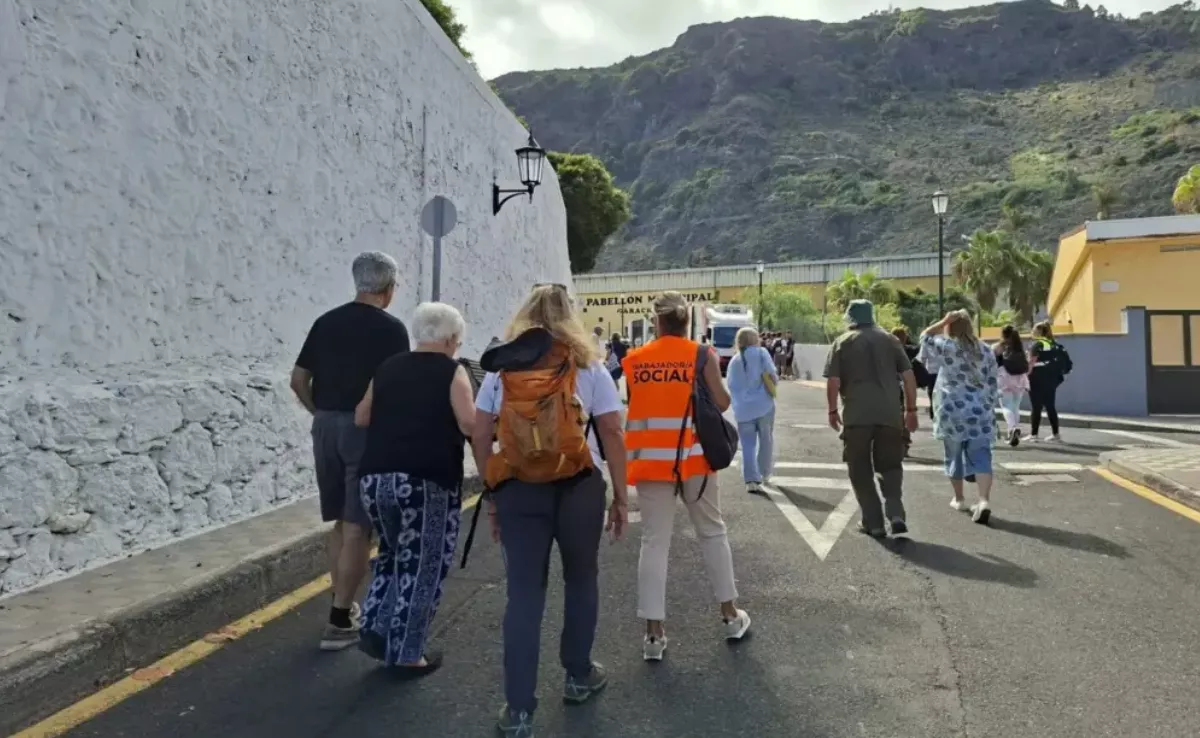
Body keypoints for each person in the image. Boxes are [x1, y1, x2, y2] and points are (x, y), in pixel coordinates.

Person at [472, 284, 628, 738]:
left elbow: (482, 437)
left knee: (523, 594)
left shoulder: (499, 371)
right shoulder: (589, 366)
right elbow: (613, 435)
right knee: (580, 578)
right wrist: (620, 495)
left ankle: (519, 711)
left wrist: (494, 492)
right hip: (579, 488)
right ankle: (578, 676)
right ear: (570, 318)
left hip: (520, 491)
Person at [290, 251, 410, 651]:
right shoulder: (392, 330)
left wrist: (319, 411)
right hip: (364, 430)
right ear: (388, 289)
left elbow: (298, 379)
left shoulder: (325, 322)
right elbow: (393, 387)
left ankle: (339, 604)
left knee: (340, 521)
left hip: (325, 425)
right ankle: (340, 620)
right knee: (360, 524)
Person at [624, 291, 751, 663]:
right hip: (694, 461)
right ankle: (730, 616)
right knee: (712, 532)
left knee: (653, 543)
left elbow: (637, 401)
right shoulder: (701, 355)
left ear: (657, 321)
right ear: (685, 323)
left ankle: (653, 635)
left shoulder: (635, 360)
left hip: (650, 463)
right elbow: (723, 402)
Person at [352, 302, 475, 675]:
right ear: (452, 338)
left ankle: (375, 624)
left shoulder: (387, 367)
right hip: (426, 480)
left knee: (391, 553)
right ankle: (408, 653)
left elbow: (362, 416)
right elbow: (470, 425)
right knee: (423, 564)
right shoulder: (452, 372)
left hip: (375, 478)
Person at [825, 301, 919, 538]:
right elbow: (908, 377)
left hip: (856, 415)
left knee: (859, 468)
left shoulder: (842, 342)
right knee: (890, 464)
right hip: (889, 413)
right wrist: (911, 409)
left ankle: (873, 522)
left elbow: (833, 381)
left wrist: (832, 411)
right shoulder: (891, 340)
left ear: (851, 318)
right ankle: (895, 511)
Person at [920, 310, 999, 524]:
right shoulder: (986, 350)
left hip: (952, 410)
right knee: (982, 455)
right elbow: (993, 382)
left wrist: (944, 320)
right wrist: (988, 404)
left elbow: (925, 335)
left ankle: (959, 498)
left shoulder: (947, 347)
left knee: (953, 454)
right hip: (980, 411)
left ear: (950, 328)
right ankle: (983, 501)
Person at [726, 327, 777, 493]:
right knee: (766, 440)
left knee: (747, 445)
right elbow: (772, 375)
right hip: (764, 406)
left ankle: (750, 480)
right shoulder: (762, 353)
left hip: (743, 410)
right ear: (755, 339)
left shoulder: (734, 360)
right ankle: (764, 473)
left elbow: (731, 385)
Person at [1028, 321, 1071, 443]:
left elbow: (1031, 362)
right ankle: (1056, 434)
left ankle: (1034, 435)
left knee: (1036, 406)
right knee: (1050, 406)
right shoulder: (1055, 345)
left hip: (1036, 378)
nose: (1032, 332)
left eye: (1034, 330)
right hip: (1052, 379)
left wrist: (1025, 376)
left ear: (1040, 332)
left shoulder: (1037, 345)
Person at [994, 325, 1030, 447]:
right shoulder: (1019, 346)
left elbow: (991, 360)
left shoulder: (999, 346)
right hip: (1020, 379)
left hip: (1005, 378)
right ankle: (1013, 430)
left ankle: (1012, 428)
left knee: (1006, 406)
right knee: (1015, 407)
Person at [891, 327, 923, 456]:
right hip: (905, 387)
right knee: (904, 414)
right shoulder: (909, 350)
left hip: (892, 387)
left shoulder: (886, 351)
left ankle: (896, 444)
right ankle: (903, 444)